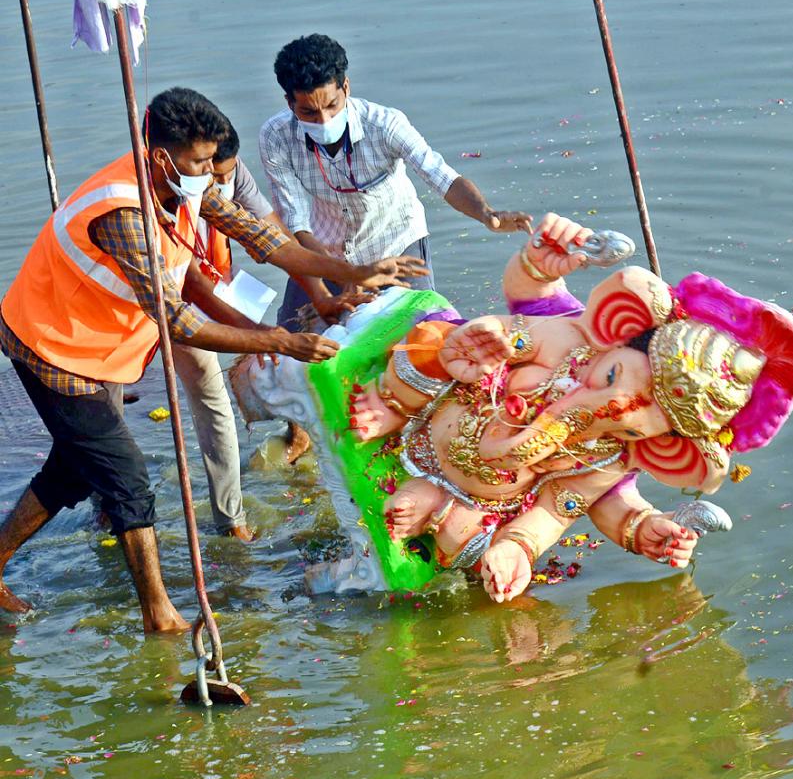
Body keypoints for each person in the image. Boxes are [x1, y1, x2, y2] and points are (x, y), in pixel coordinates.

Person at [0, 87, 424, 627]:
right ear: (162, 156)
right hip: (52, 350)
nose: (210, 173)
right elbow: (180, 322)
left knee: (74, 471)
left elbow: (266, 240)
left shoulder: (184, 186)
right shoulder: (124, 211)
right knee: (127, 480)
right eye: (200, 161)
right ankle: (159, 614)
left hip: (94, 345)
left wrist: (357, 272)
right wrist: (278, 340)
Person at [259, 33, 532, 460]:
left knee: (417, 343)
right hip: (322, 248)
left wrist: (487, 214)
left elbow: (440, 175)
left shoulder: (385, 124)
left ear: (346, 87)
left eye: (331, 105)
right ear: (290, 103)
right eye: (308, 111)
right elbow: (294, 219)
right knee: (296, 339)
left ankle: (419, 434)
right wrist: (340, 281)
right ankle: (300, 433)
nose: (322, 117)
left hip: (396, 244)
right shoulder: (276, 137)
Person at [175, 121, 380, 539]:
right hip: (164, 302)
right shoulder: (172, 194)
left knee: (212, 400)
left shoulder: (229, 179)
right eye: (208, 174)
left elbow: (277, 240)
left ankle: (230, 522)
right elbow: (191, 286)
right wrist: (266, 336)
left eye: (225, 174)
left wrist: (324, 294)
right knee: (105, 426)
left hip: (203, 289)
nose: (218, 184)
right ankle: (108, 502)